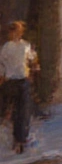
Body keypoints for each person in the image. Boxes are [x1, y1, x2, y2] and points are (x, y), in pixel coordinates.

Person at [0, 21, 38, 154]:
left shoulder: (25, 45)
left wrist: (32, 69)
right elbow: (1, 65)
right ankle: (17, 138)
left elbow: (33, 59)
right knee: (15, 111)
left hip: (21, 81)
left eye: (19, 31)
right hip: (12, 82)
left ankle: (20, 140)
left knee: (22, 112)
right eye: (15, 31)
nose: (17, 34)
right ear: (11, 32)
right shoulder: (7, 47)